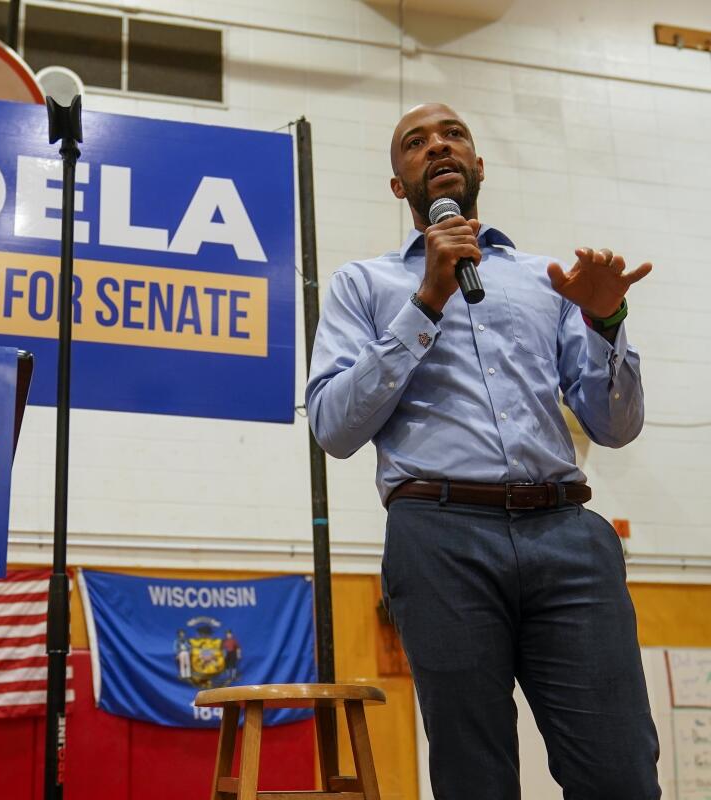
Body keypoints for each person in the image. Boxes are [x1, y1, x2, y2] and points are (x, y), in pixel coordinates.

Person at [306, 102, 659, 800]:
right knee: (476, 780)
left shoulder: (545, 280)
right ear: (398, 184)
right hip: (440, 537)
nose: (437, 146)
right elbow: (333, 427)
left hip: (567, 533)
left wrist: (607, 321)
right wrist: (427, 301)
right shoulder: (364, 285)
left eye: (453, 135)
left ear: (479, 165)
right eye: (415, 143)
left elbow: (615, 427)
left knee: (620, 773)